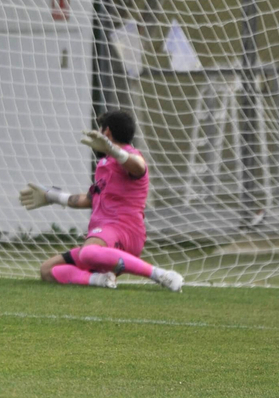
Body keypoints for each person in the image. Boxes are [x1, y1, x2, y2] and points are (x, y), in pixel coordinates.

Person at [19, 109, 183, 292]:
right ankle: (99, 280)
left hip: (124, 230)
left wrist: (113, 149)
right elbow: (89, 199)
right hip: (106, 233)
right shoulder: (105, 164)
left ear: (106, 133)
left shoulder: (130, 155)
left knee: (88, 252)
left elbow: (139, 167)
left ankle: (161, 275)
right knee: (48, 270)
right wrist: (51, 196)